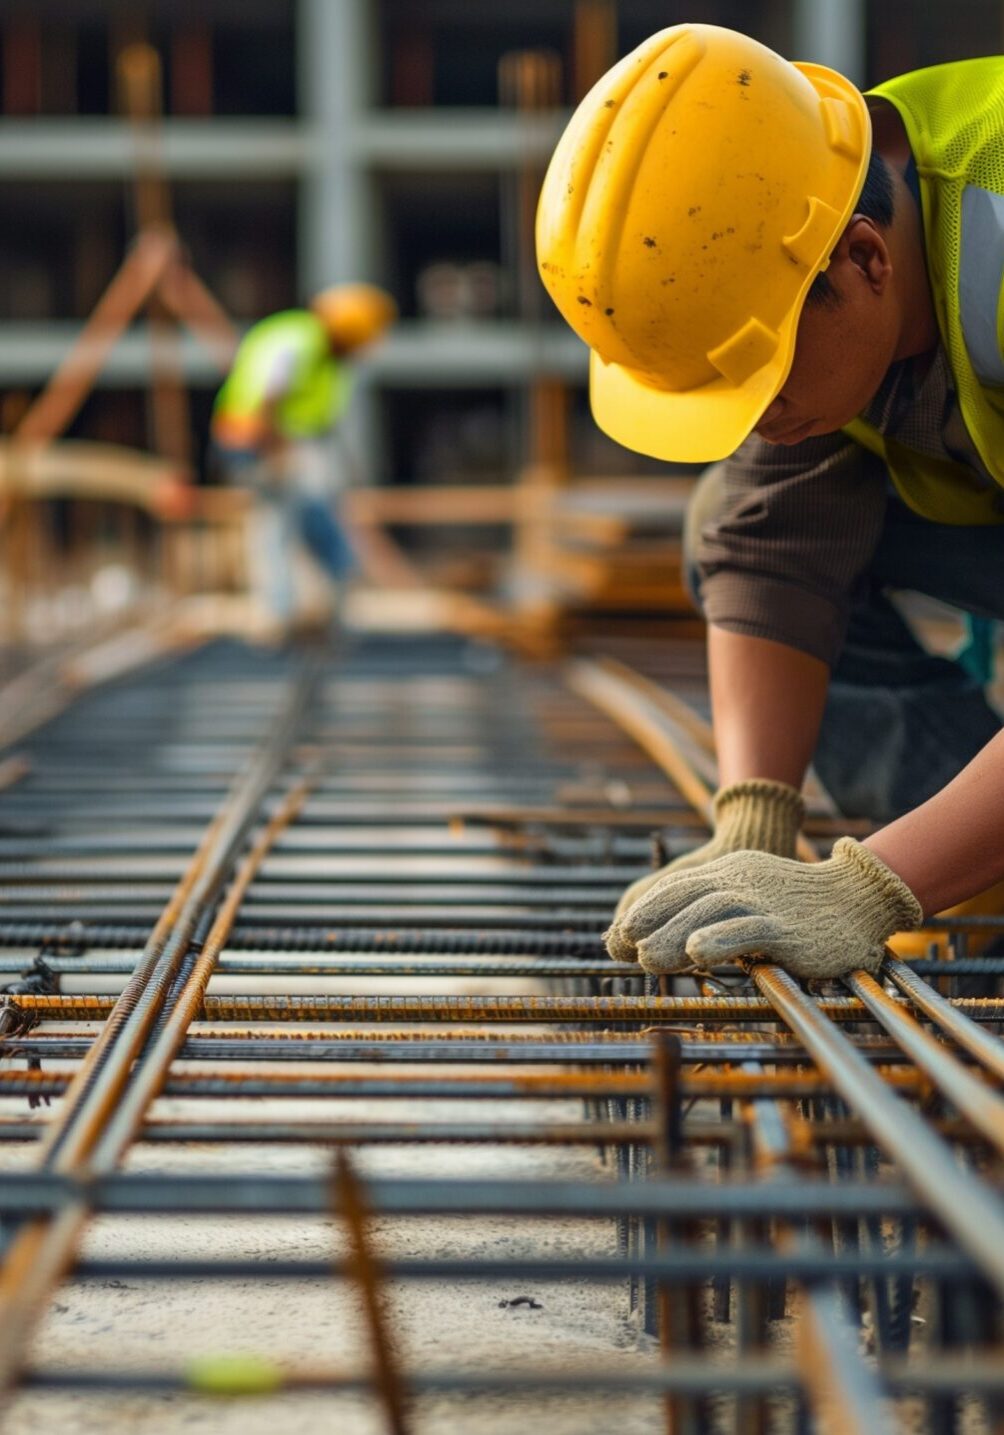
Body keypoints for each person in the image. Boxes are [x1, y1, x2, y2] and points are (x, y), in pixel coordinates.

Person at [536, 24, 1004, 980]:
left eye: (760, 380)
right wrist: (753, 818)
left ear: (867, 264)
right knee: (727, 512)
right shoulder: (784, 218)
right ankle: (977, 854)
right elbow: (769, 543)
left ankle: (944, 851)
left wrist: (871, 888)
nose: (758, 416)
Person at [211, 283, 397, 632]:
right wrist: (274, 450)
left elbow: (314, 413)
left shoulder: (326, 353)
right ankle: (280, 613)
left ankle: (322, 605)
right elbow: (269, 393)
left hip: (290, 440)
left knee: (307, 518)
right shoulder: (300, 341)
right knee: (278, 523)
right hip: (260, 439)